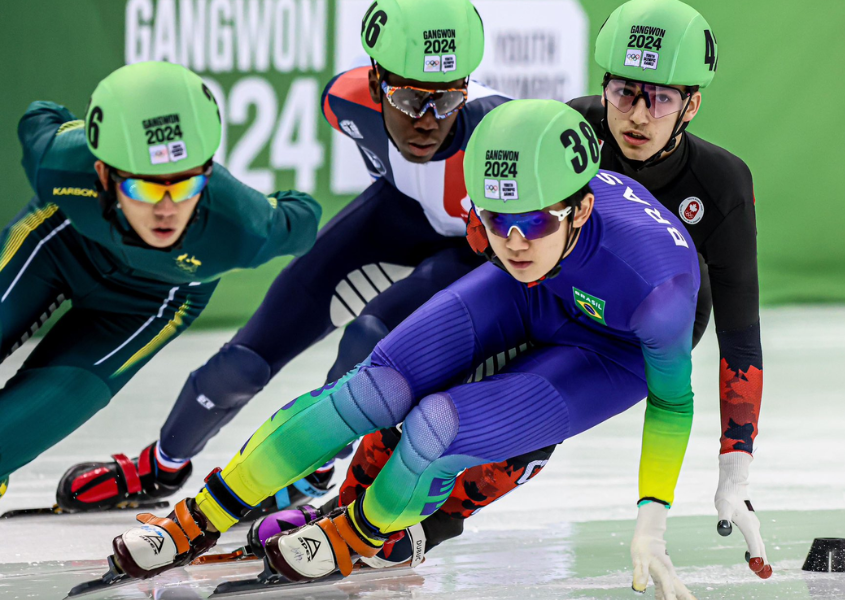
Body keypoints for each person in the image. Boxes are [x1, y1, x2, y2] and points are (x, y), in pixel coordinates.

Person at [106, 99, 704, 599]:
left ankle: (357, 535)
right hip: (539, 291)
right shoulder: (528, 231)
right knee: (371, 389)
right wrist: (528, 238)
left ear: (582, 208)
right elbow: (521, 242)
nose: (515, 241)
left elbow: (675, 405)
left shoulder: (660, 290)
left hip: (610, 349)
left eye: (535, 223)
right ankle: (197, 518)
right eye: (497, 220)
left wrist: (651, 520)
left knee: (435, 426)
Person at [329, 0, 772, 580]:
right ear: (604, 86)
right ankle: (342, 508)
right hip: (547, 290)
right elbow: (494, 225)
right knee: (426, 380)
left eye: (660, 98)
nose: (637, 116)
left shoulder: (721, 182)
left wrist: (734, 471)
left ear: (692, 104)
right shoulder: (572, 128)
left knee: (522, 428)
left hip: (631, 333)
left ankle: (428, 527)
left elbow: (740, 339)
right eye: (623, 91)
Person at [57, 0, 510, 514]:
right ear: (377, 81)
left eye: (448, 100)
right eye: (408, 98)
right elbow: (413, 177)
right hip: (400, 212)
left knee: (366, 341)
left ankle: (310, 471)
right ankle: (161, 465)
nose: (428, 121)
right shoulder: (345, 103)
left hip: (470, 251)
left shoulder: (501, 136)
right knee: (242, 362)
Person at [0, 61, 321, 504]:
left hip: (148, 304)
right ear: (103, 174)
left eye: (186, 184)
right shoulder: (60, 164)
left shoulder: (242, 228)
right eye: (145, 189)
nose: (167, 209)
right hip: (58, 244)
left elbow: (304, 213)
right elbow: (41, 114)